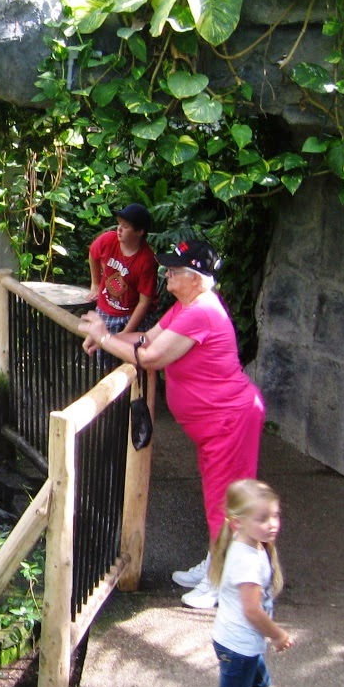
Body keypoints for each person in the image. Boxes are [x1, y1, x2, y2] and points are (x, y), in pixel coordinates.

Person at [78, 236, 265, 608]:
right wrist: (108, 339)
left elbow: (150, 357)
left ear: (196, 277)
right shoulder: (186, 306)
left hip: (229, 420)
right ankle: (217, 563)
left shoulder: (201, 312)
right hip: (217, 423)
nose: (167, 275)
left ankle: (224, 584)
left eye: (175, 271)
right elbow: (146, 337)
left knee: (226, 502)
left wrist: (103, 335)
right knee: (218, 498)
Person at [198, 479, 296, 687]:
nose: (272, 525)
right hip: (239, 647)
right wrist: (278, 634)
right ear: (239, 522)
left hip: (240, 644)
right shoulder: (248, 560)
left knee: (259, 686)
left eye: (275, 516)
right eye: (263, 518)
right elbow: (253, 612)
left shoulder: (245, 543)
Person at [86, 203, 158, 335]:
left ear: (140, 232)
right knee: (101, 351)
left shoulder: (147, 260)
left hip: (132, 312)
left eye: (125, 227)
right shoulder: (107, 240)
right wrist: (95, 283)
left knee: (130, 351)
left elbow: (144, 302)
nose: (119, 229)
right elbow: (93, 254)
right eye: (119, 224)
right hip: (106, 307)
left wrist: (126, 332)